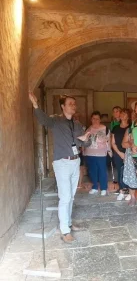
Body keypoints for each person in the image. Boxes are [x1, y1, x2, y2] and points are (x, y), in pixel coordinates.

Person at [29, 92, 91, 243]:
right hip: (62, 163)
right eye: (70, 104)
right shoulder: (56, 120)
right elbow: (43, 120)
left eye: (74, 104)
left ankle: (68, 223)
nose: (73, 106)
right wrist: (35, 104)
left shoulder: (77, 124)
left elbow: (83, 144)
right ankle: (65, 230)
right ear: (63, 106)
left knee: (71, 196)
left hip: (75, 161)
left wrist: (86, 140)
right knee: (65, 197)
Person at [84, 111, 112, 196]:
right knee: (92, 171)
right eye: (94, 119)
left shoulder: (105, 128)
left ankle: (103, 188)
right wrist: (84, 151)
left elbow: (108, 141)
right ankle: (95, 187)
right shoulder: (88, 129)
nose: (95, 120)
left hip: (101, 154)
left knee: (102, 171)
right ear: (91, 119)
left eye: (97, 119)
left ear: (100, 120)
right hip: (90, 153)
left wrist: (109, 150)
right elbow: (85, 141)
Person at [111, 108, 131, 201]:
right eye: (122, 113)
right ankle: (122, 190)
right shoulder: (115, 128)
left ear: (128, 116)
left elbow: (132, 142)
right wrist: (120, 153)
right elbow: (113, 142)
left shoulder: (131, 127)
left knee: (129, 172)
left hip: (129, 153)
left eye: (125, 113)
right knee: (120, 171)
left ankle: (130, 191)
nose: (122, 115)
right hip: (118, 153)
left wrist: (126, 154)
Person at [73, 112, 86, 188]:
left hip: (79, 150)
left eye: (77, 117)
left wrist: (83, 150)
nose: (76, 118)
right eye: (74, 117)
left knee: (80, 167)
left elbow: (84, 139)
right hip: (71, 150)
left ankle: (80, 183)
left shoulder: (82, 126)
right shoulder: (70, 126)